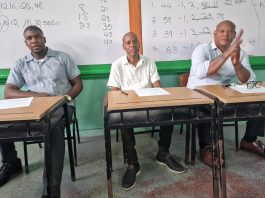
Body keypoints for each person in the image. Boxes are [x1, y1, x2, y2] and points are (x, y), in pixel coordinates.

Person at [0, 25, 83, 197]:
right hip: (33, 108)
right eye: (29, 38)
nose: (34, 41)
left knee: (52, 128)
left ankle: (51, 191)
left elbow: (78, 84)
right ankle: (12, 162)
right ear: (26, 43)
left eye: (37, 37)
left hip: (62, 106)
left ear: (44, 39)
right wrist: (36, 95)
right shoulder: (21, 63)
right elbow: (9, 92)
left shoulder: (62, 58)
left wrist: (64, 99)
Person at [107, 32, 185, 191]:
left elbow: (157, 87)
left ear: (139, 44)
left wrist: (158, 101)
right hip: (128, 107)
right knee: (123, 119)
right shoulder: (117, 65)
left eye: (135, 42)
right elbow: (114, 93)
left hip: (149, 105)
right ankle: (132, 164)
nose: (132, 45)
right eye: (128, 43)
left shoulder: (149, 62)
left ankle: (163, 154)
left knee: (167, 114)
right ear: (123, 47)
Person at [187, 20, 265, 166]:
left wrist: (236, 64)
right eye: (222, 31)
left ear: (234, 35)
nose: (226, 34)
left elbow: (247, 79)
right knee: (209, 106)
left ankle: (249, 140)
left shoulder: (240, 53)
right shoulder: (202, 49)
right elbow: (201, 72)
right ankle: (207, 148)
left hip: (225, 97)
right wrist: (227, 53)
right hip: (199, 97)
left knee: (260, 103)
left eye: (229, 31)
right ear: (214, 34)